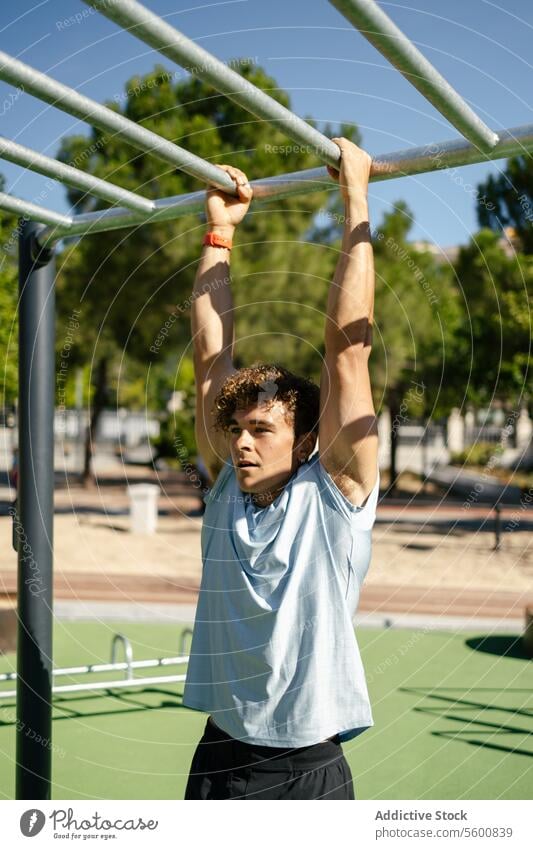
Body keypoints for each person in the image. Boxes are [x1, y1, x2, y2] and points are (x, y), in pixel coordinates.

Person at [182, 138, 379, 800]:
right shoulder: (224, 491)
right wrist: (219, 233)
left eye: (262, 430)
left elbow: (348, 351)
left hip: (305, 768)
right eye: (237, 429)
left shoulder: (334, 496)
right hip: (218, 755)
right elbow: (213, 355)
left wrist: (355, 198)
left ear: (304, 443)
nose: (241, 442)